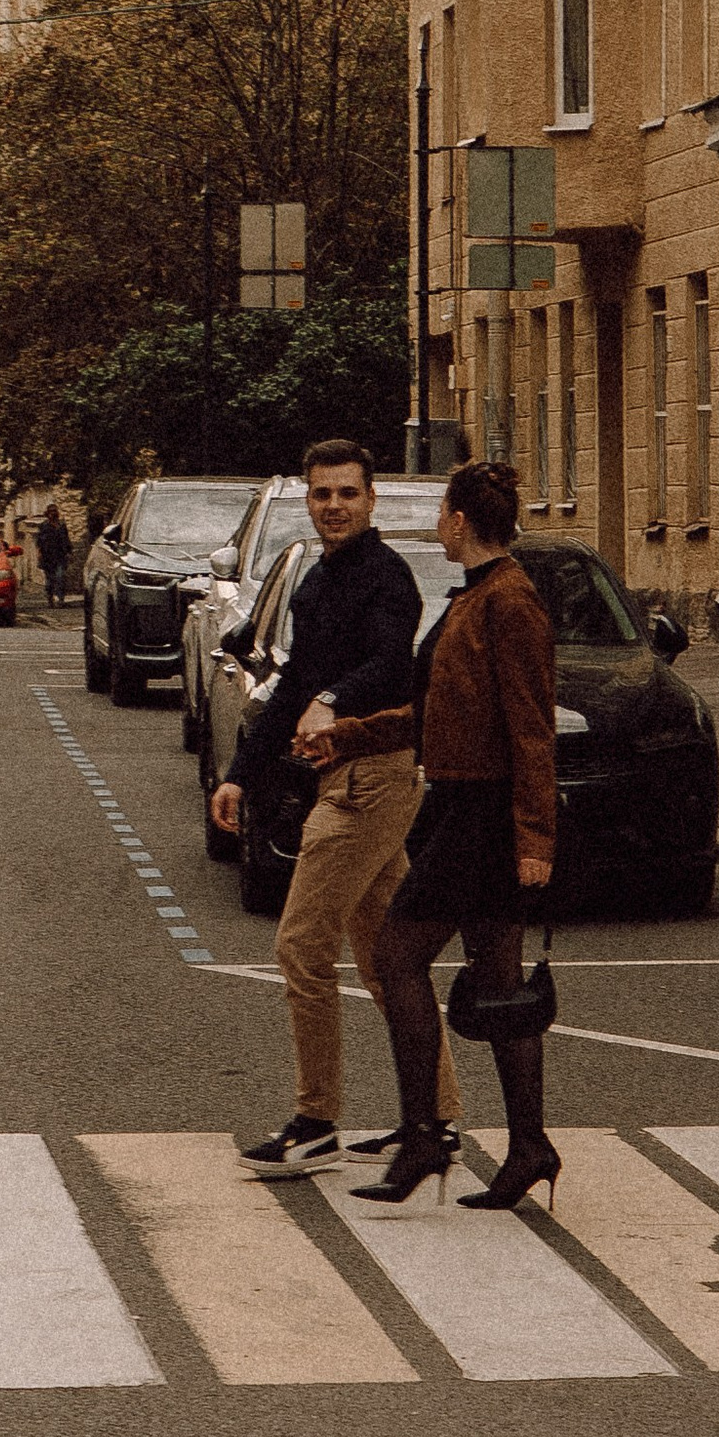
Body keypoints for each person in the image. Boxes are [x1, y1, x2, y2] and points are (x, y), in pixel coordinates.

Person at [300, 458, 557, 1213]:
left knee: (397, 957)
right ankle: (530, 1147)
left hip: (483, 817)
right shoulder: (474, 598)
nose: (436, 522)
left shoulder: (510, 603)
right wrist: (348, 736)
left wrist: (536, 840)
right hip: (462, 808)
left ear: (458, 522)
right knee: (501, 986)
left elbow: (534, 732)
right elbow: (435, 716)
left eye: (441, 511)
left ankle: (423, 1136)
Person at [213, 438, 461, 1177]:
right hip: (344, 779)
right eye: (322, 495)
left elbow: (391, 665)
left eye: (347, 493)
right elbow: (290, 688)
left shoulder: (385, 579)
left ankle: (316, 1119)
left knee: (300, 946)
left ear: (370, 499)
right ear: (309, 502)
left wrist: (332, 699)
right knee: (387, 962)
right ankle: (436, 1119)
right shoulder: (316, 584)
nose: (334, 507)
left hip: (372, 780)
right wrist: (237, 775)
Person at [35, 503, 70, 608]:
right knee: (50, 580)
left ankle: (60, 599)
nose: (53, 514)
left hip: (60, 555)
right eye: (51, 512)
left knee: (60, 577)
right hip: (48, 556)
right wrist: (39, 553)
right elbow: (39, 541)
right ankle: (50, 598)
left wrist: (69, 552)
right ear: (48, 513)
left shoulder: (61, 525)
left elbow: (66, 540)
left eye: (55, 511)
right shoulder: (44, 526)